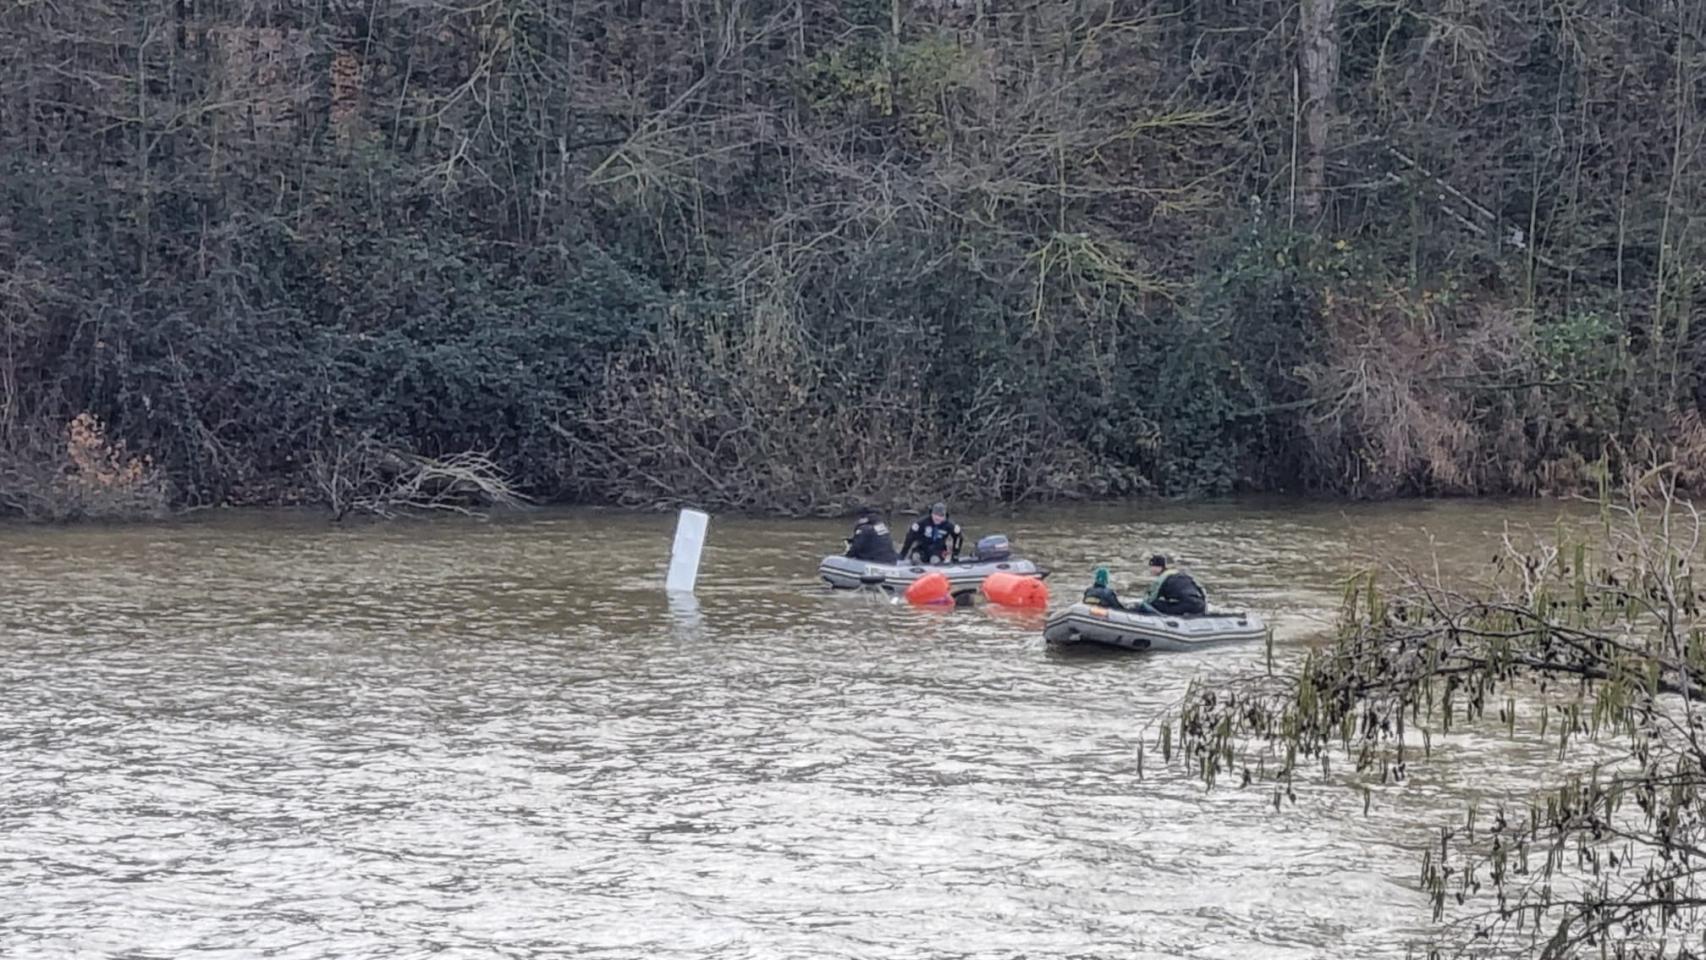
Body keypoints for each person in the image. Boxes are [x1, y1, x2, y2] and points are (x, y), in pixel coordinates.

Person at [1140, 554, 1207, 616]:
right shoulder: (1179, 574)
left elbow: (1151, 599)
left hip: (1186, 606)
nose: (1150, 570)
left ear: (1159, 567)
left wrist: (1139, 606)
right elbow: (1200, 589)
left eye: (1152, 567)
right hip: (1200, 605)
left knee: (1154, 604)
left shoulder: (1162, 579)